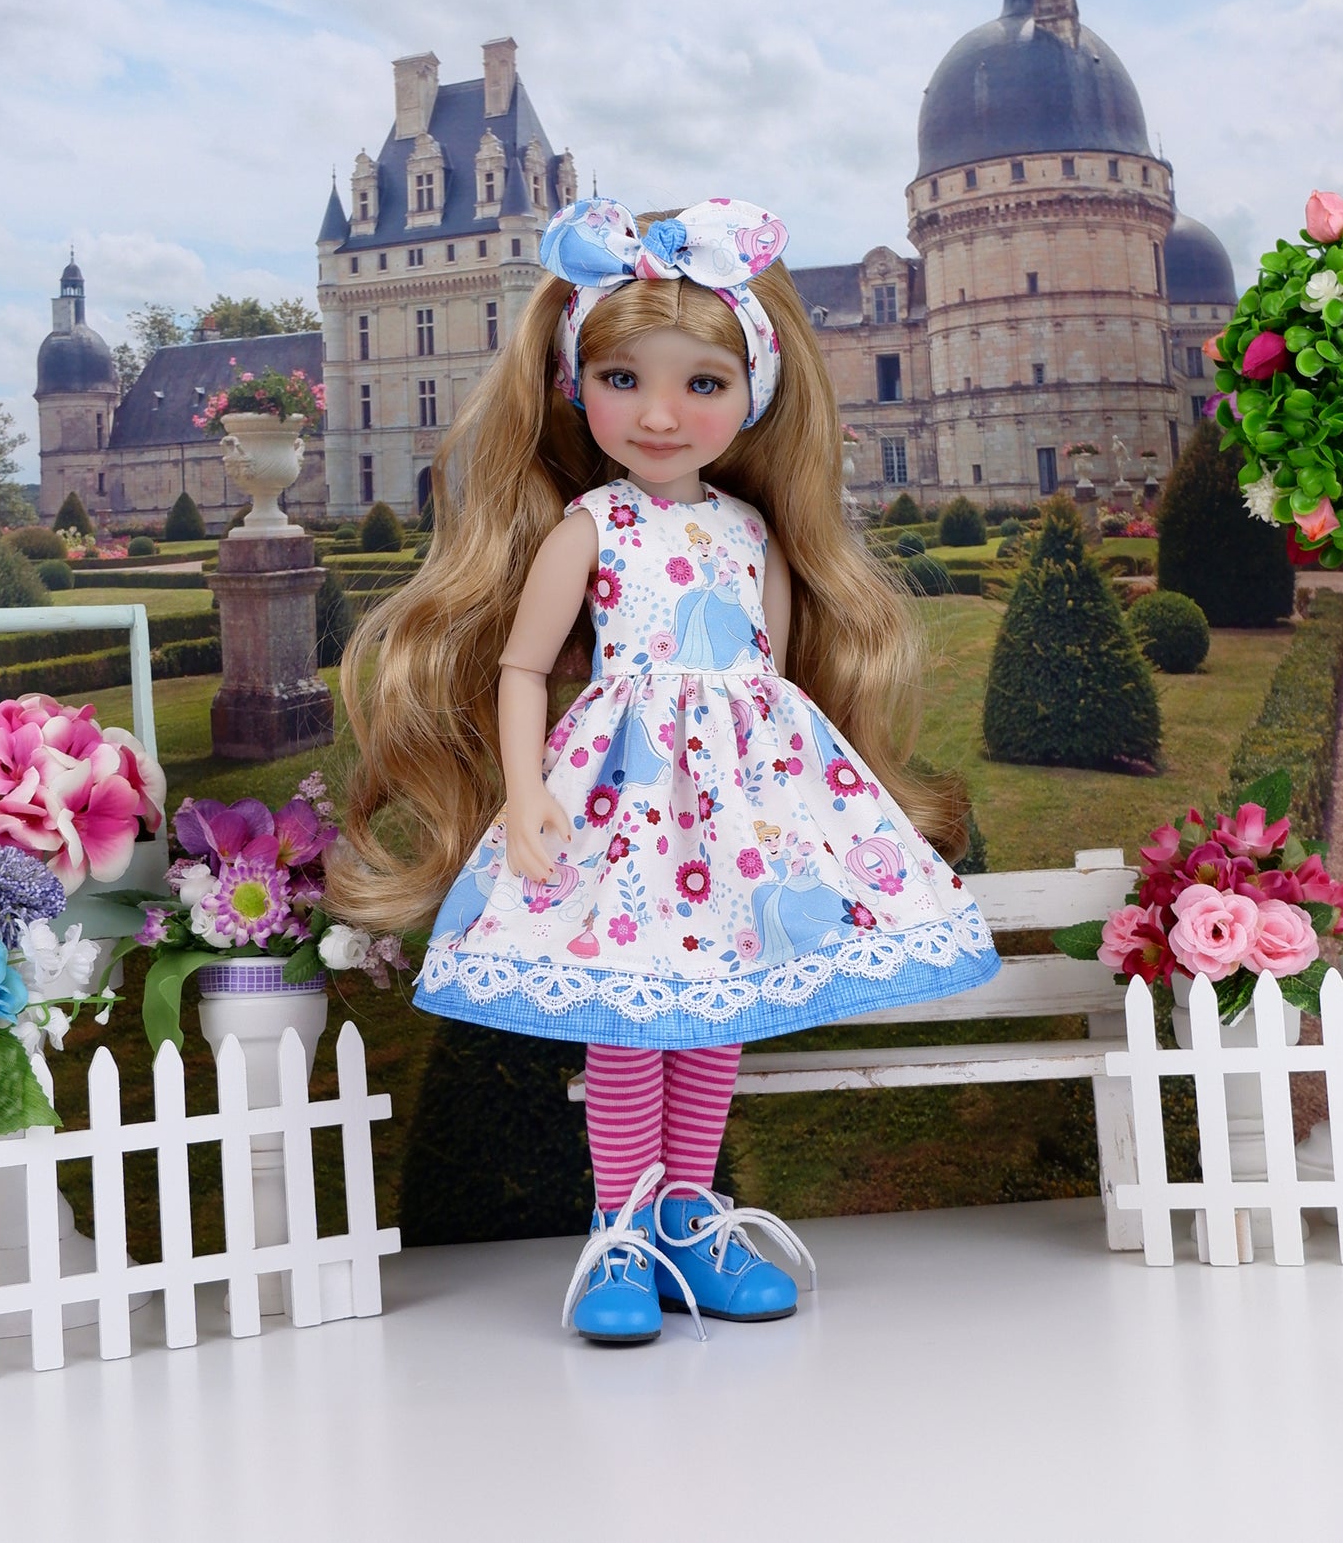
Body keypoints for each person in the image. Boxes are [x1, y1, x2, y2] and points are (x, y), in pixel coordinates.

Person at [327, 196, 1000, 1345]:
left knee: (713, 1014)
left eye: (701, 383)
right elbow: (523, 667)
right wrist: (527, 792)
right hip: (625, 800)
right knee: (630, 1020)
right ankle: (622, 1231)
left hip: (733, 807)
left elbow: (767, 683)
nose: (657, 412)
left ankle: (688, 1220)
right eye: (621, 379)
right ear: (572, 386)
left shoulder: (749, 533)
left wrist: (795, 810)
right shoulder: (590, 527)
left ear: (754, 396)